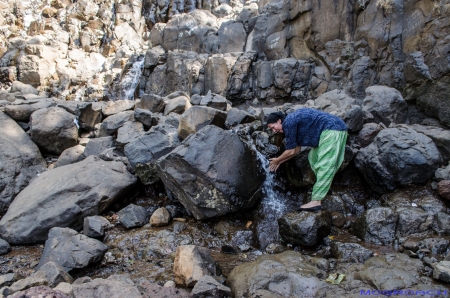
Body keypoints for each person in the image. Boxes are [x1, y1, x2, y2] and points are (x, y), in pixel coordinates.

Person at [266, 108, 348, 212]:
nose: (274, 131)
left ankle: (316, 202)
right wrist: (280, 162)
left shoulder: (288, 122)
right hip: (328, 131)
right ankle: (323, 188)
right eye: (271, 129)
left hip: (332, 130)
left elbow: (291, 150)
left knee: (325, 165)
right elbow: (296, 150)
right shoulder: (291, 123)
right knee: (313, 157)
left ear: (279, 120)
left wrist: (277, 160)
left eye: (273, 127)